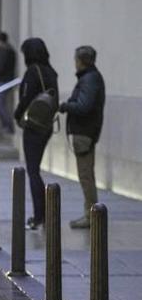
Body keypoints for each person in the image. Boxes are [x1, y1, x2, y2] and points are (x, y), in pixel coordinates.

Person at [14, 38, 59, 230]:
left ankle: (40, 215)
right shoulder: (51, 72)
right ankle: (44, 214)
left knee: (33, 171)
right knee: (35, 169)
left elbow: (26, 97)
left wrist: (17, 114)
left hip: (33, 126)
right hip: (46, 125)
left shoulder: (33, 72)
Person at [58, 46, 105, 229]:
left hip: (84, 132)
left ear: (82, 61)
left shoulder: (89, 79)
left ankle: (91, 215)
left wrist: (66, 106)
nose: (74, 63)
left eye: (76, 59)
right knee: (86, 175)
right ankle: (91, 213)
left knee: (86, 176)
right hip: (85, 132)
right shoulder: (91, 78)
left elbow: (84, 106)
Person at [0, 32, 16, 134]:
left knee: (1, 105)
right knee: (2, 104)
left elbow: (1, 68)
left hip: (2, 81)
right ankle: (6, 126)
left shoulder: (4, 52)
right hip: (7, 80)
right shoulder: (11, 51)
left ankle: (8, 125)